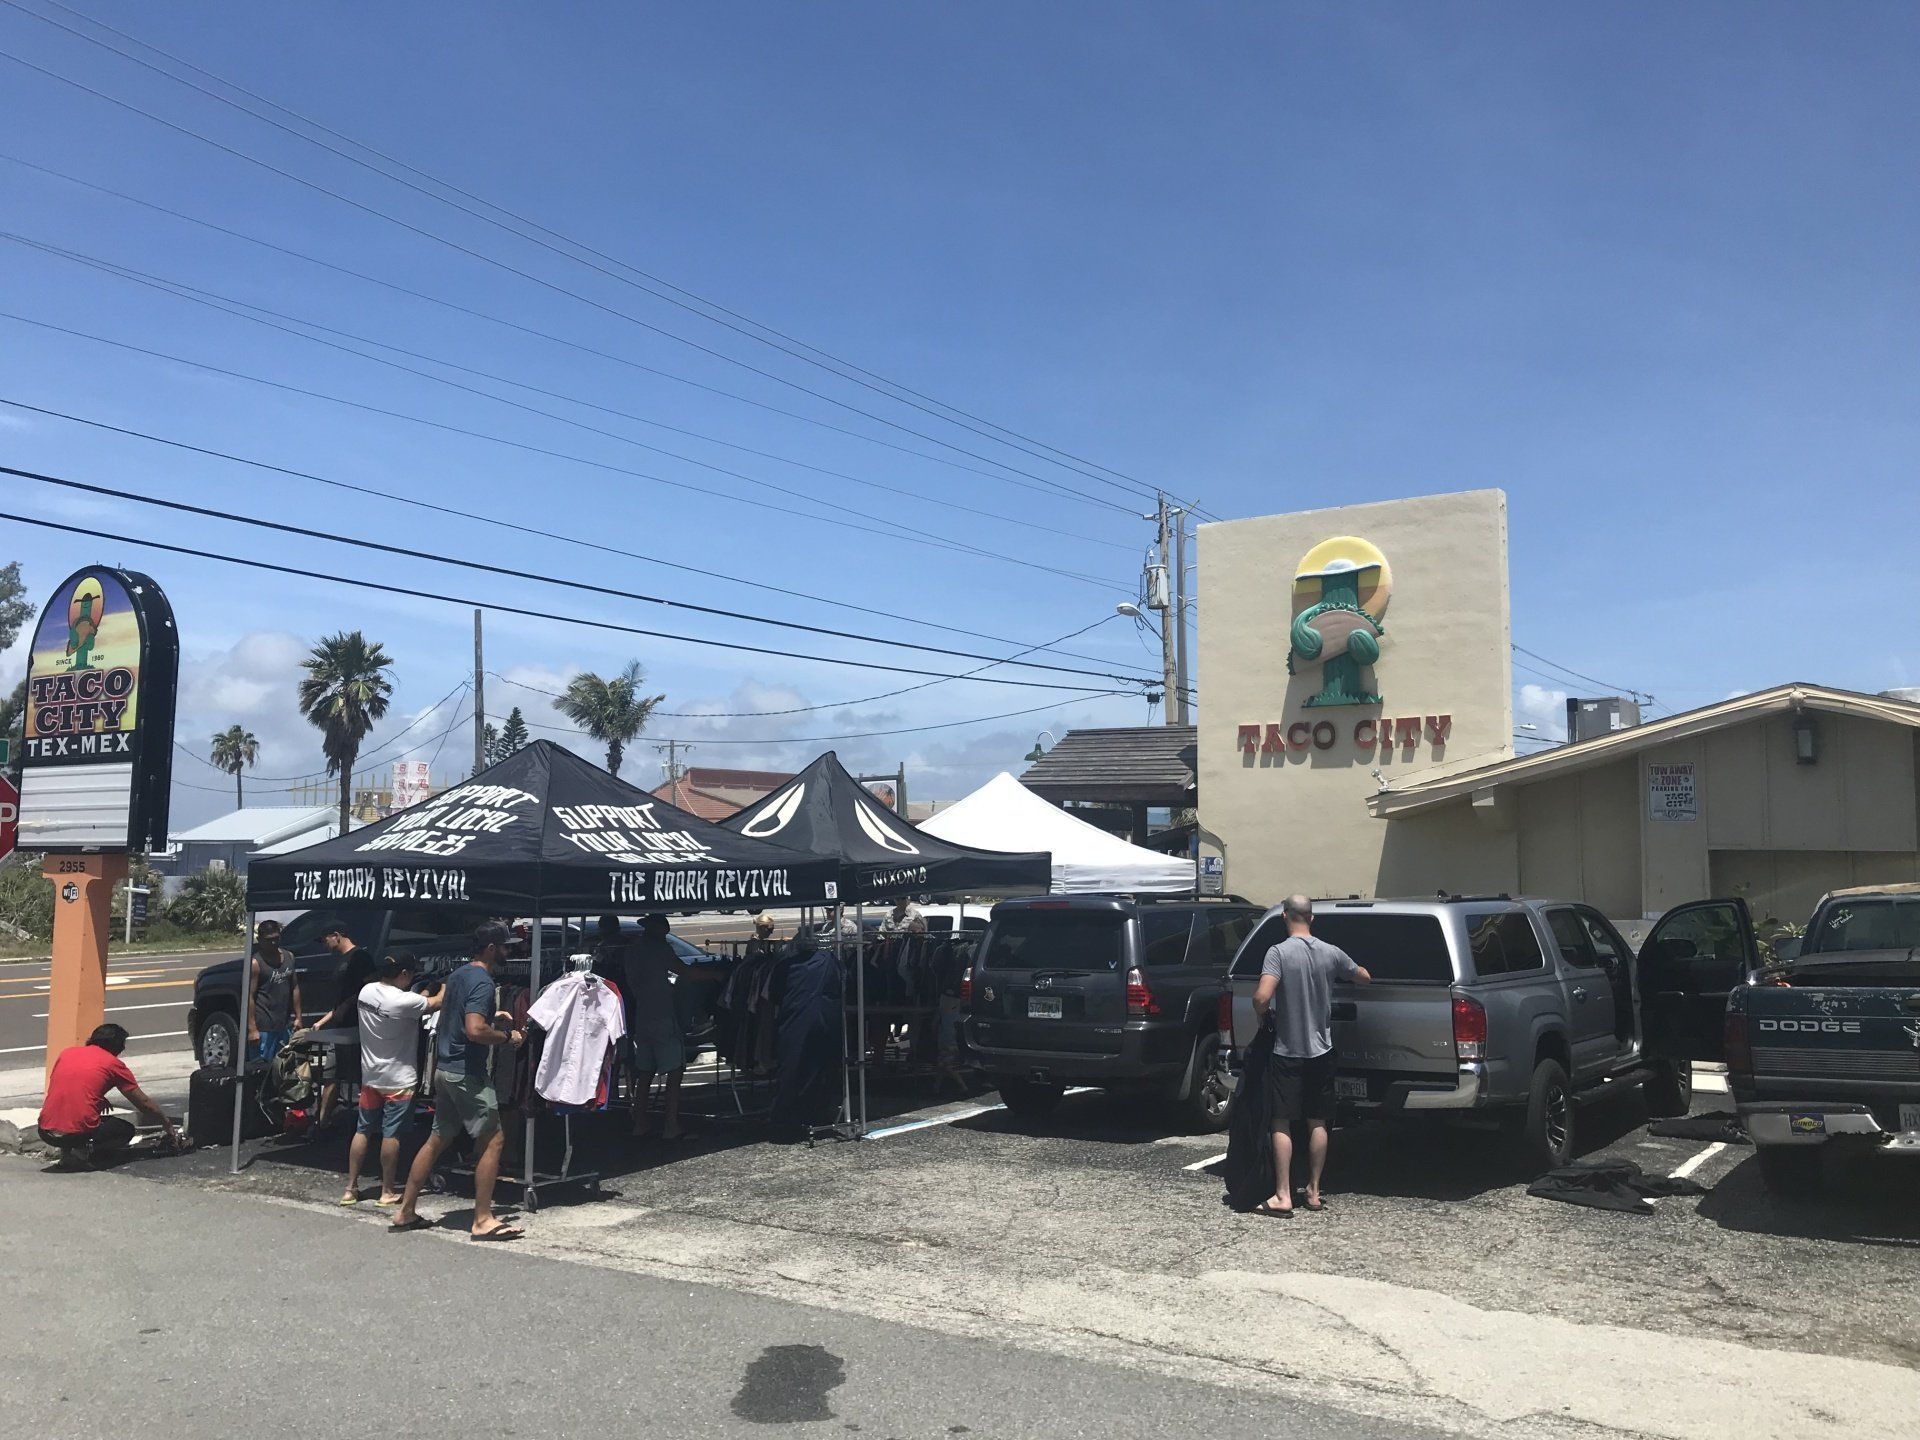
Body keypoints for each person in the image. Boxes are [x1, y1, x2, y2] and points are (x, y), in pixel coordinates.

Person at [390, 923, 525, 1240]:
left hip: (445, 1068)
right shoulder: (482, 981)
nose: (511, 951)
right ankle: (482, 1219)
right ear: (491, 948)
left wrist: (495, 1018)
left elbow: (462, 1019)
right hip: (467, 1073)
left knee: (437, 1139)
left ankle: (406, 1210)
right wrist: (508, 1037)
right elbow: (475, 1031)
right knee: (494, 1140)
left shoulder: (459, 975)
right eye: (506, 946)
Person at [1250, 895, 1371, 1217]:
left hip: (1287, 1050)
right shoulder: (1330, 952)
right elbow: (1363, 975)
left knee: (1282, 1121)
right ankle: (1315, 1192)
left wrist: (1263, 1013)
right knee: (1318, 1119)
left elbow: (1263, 995)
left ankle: (1283, 1195)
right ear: (1312, 918)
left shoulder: (1278, 953)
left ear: (1285, 916)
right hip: (1322, 1049)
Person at [340, 952, 442, 1207]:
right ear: (404, 974)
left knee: (363, 1129)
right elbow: (435, 1003)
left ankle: (351, 1188)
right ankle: (387, 1190)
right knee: (391, 1133)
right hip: (399, 1078)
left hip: (371, 1075)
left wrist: (424, 992)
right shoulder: (404, 1001)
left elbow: (416, 1002)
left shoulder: (366, 991)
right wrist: (445, 983)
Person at [38, 1024, 183, 1167]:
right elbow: (143, 1103)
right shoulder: (112, 1064)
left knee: (73, 1118)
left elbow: (68, 1086)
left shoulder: (67, 1053)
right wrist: (167, 1124)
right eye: (122, 1044)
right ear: (116, 1045)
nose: (123, 1049)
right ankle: (82, 1154)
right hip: (76, 1134)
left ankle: (66, 1155)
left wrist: (97, 1098)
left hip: (46, 1131)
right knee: (125, 1130)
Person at [623, 913, 691, 1140]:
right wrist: (716, 974)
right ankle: (671, 1124)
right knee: (674, 1071)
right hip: (662, 1014)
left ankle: (639, 1121)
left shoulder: (633, 950)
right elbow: (684, 970)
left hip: (643, 1015)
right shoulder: (659, 949)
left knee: (645, 1072)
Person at [310, 924, 376, 1127]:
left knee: (359, 1075)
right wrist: (322, 1021)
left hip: (356, 1026)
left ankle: (369, 1123)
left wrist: (352, 1007)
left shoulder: (360, 958)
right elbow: (340, 1000)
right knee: (331, 1075)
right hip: (338, 1026)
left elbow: (370, 988)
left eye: (325, 940)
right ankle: (321, 1122)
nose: (324, 945)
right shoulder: (341, 961)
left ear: (336, 936)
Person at [247, 919, 303, 1063]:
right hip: (264, 1026)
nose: (273, 943)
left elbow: (295, 987)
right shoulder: (255, 963)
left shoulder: (289, 957)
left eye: (276, 939)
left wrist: (298, 1017)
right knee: (262, 1068)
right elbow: (250, 997)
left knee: (284, 1066)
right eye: (269, 940)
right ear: (260, 940)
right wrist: (252, 1028)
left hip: (284, 1024)